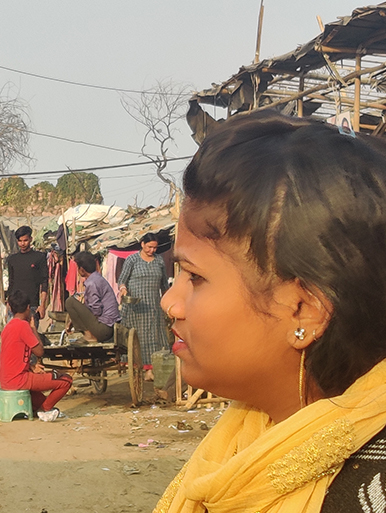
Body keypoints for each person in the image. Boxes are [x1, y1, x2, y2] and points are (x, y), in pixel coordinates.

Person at [154, 111, 386, 513]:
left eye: (194, 277)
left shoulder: (363, 493)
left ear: (303, 311)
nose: (169, 303)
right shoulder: (243, 439)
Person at [0, 290, 73, 421]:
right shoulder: (23, 326)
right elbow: (39, 351)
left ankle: (42, 408)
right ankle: (45, 410)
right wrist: (33, 328)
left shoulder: (8, 327)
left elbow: (13, 356)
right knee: (66, 380)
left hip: (6, 379)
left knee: (41, 398)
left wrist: (31, 366)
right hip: (20, 379)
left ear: (10, 307)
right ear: (28, 308)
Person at [117, 232, 170, 381]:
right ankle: (137, 367)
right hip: (135, 307)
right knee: (138, 338)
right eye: (149, 247)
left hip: (153, 307)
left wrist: (167, 302)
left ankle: (150, 370)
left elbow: (164, 284)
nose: (152, 250)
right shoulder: (132, 260)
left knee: (153, 337)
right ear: (142, 244)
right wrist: (123, 289)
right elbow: (122, 280)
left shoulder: (159, 260)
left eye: (154, 248)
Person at [65, 251, 121, 343]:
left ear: (82, 269)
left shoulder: (92, 283)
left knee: (70, 302)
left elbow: (96, 310)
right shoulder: (98, 279)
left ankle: (89, 336)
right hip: (109, 326)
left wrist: (81, 319)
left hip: (104, 329)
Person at [7, 226, 48, 330]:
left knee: (31, 334)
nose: (22, 244)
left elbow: (44, 282)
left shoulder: (39, 257)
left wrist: (42, 305)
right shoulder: (12, 259)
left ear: (30, 239)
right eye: (20, 241)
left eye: (25, 240)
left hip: (32, 305)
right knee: (14, 334)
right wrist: (8, 303)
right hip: (15, 305)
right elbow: (11, 282)